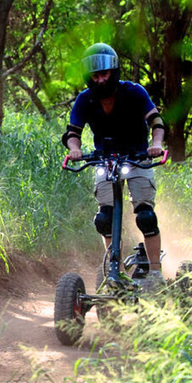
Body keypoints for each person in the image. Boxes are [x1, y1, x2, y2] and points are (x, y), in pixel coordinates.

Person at [62, 43, 167, 287]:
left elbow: (156, 122)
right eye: (95, 76)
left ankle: (155, 273)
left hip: (138, 157)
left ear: (114, 72)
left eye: (105, 74)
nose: (100, 80)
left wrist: (157, 144)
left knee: (146, 216)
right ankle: (115, 272)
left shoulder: (134, 92)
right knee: (104, 219)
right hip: (104, 160)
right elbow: (72, 133)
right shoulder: (85, 100)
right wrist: (75, 149)